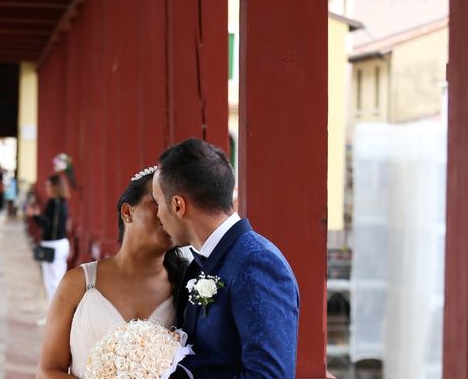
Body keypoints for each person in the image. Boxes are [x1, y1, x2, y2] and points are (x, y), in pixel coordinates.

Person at [152, 138, 300, 379]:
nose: (158, 216)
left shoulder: (257, 263)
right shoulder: (199, 264)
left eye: (158, 203)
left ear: (178, 205)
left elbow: (270, 376)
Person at [36, 168, 187, 378]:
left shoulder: (186, 287)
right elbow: (47, 371)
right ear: (127, 212)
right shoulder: (78, 283)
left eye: (174, 204)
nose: (168, 212)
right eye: (158, 202)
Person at [33, 174, 71, 323]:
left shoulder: (54, 203)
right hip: (60, 244)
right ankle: (55, 315)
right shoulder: (62, 203)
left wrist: (36, 216)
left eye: (49, 185)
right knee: (56, 281)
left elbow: (49, 226)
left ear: (55, 187)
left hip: (53, 244)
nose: (46, 188)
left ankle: (54, 317)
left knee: (52, 283)